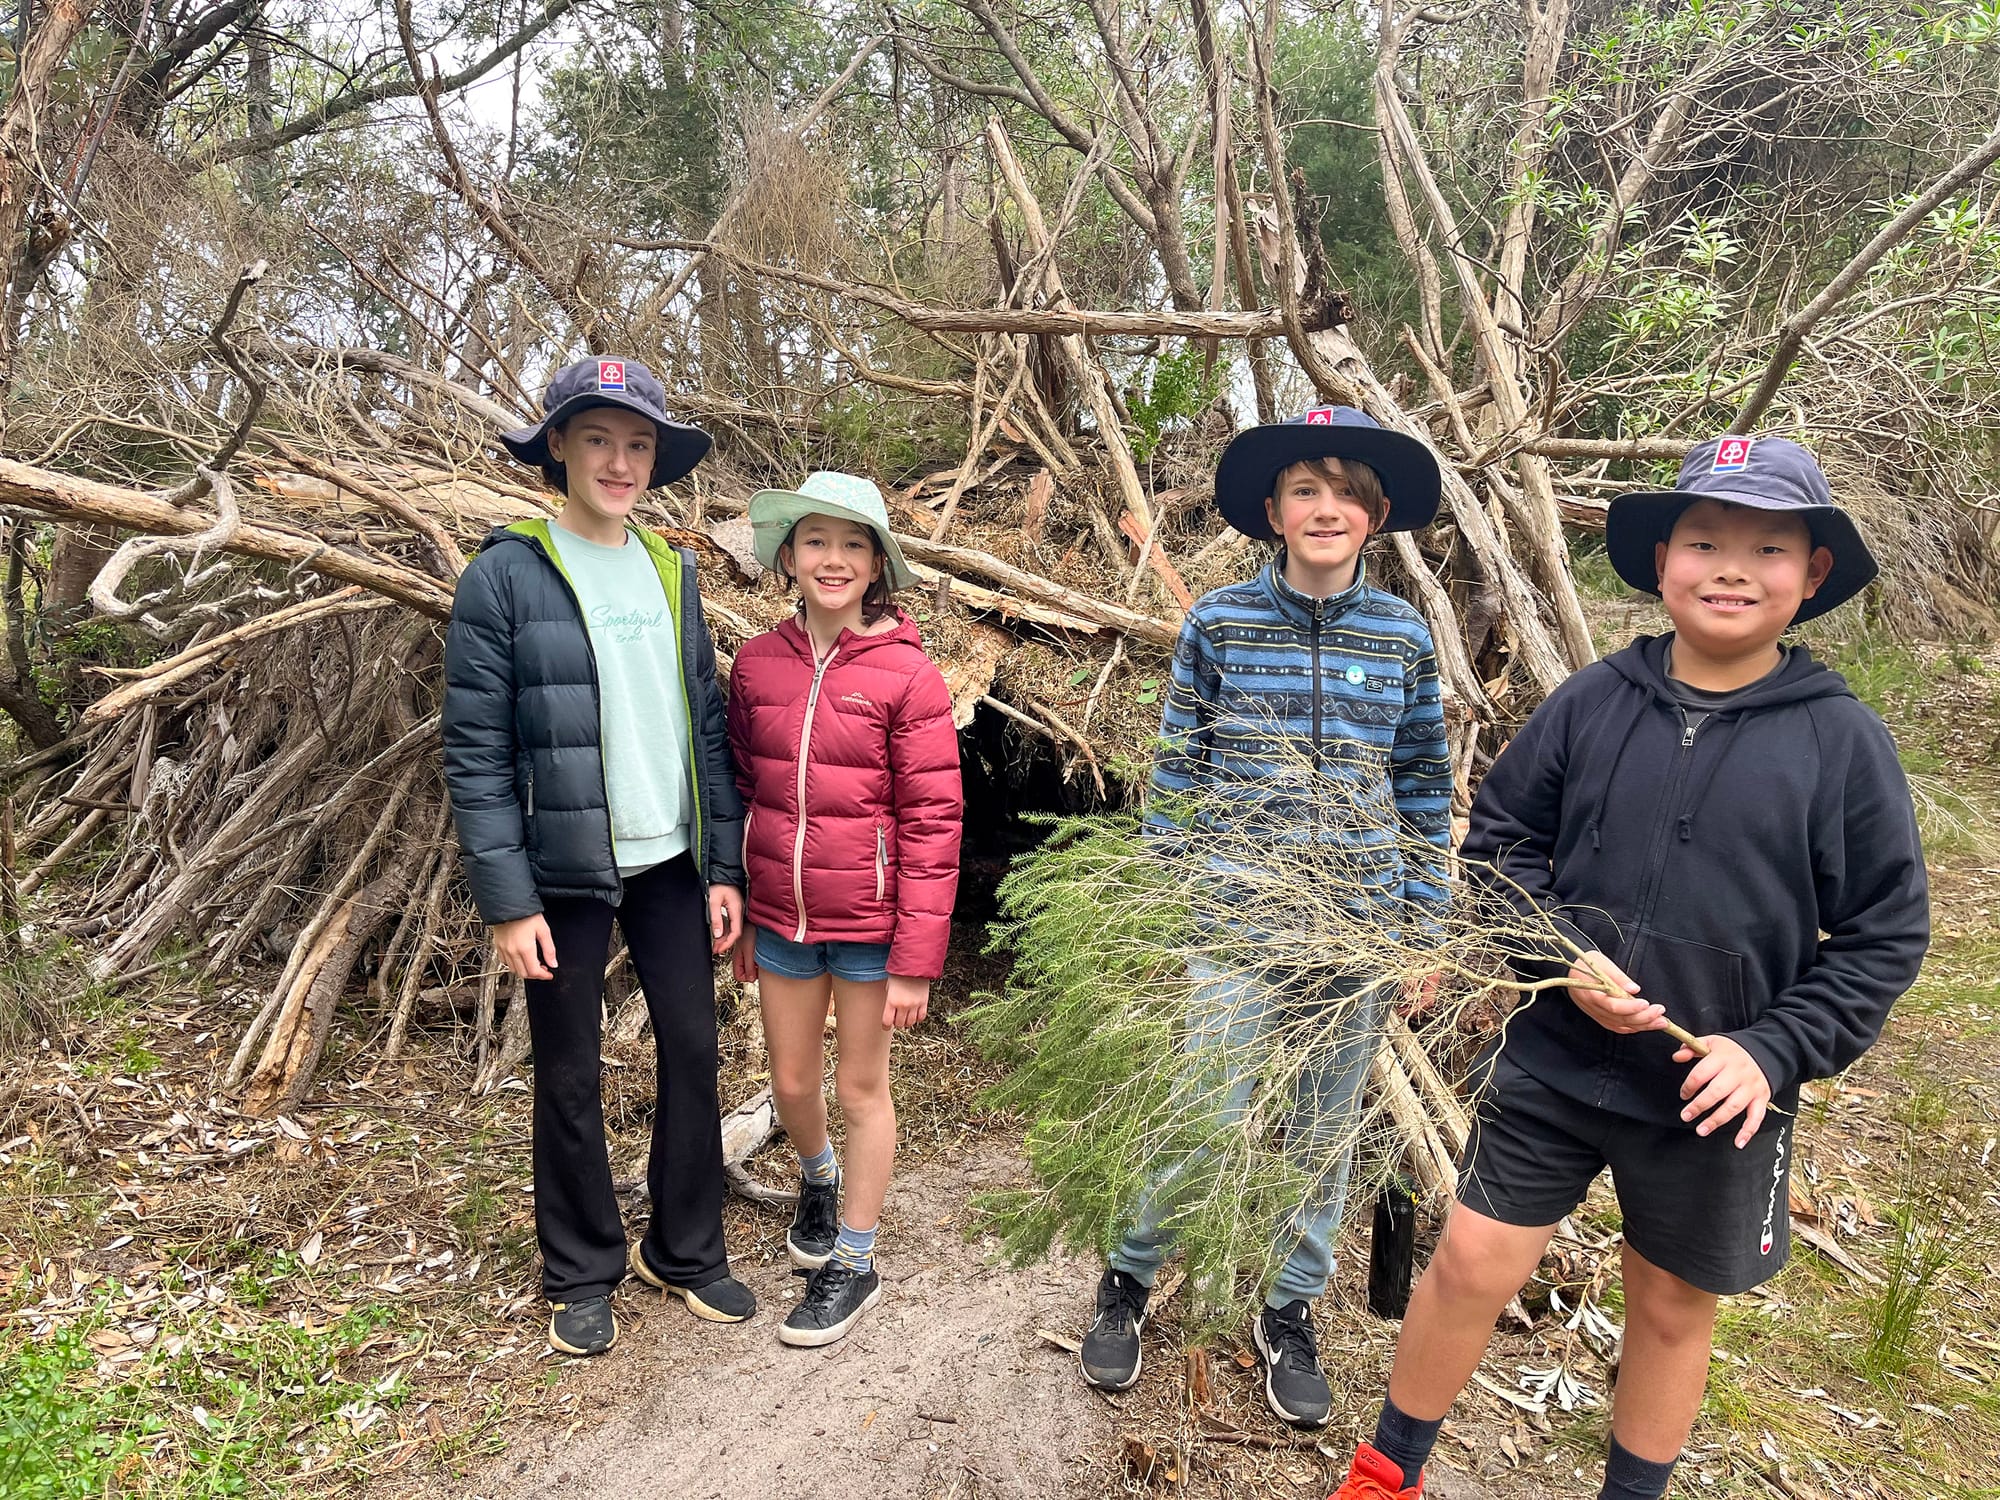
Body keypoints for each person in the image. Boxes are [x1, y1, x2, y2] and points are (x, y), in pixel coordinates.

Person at [1326, 435, 1930, 1500]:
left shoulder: (1840, 743)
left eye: (1765, 548)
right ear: (1659, 560)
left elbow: (1883, 936)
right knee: (1469, 1262)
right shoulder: (1592, 701)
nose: (1729, 568)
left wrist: (1766, 1051)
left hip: (1715, 1096)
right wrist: (1562, 958)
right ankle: (1384, 1473)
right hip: (1557, 1057)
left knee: (1665, 1306)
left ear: (1813, 573)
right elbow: (1500, 847)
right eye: (1702, 541)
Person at [1077, 407, 1452, 1428]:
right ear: (1272, 513)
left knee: (1319, 1132)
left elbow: (1421, 789)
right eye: (1303, 490)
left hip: (1357, 930)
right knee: (1200, 1112)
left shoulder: (1402, 636)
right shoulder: (1219, 624)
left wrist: (1422, 930)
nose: (1323, 508)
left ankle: (1286, 1307)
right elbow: (1177, 778)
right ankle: (1127, 1279)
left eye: (1343, 492)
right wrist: (1164, 908)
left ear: (1373, 516)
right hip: (1235, 921)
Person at [442, 356, 755, 1358]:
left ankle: (686, 1248)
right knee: (570, 1068)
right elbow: (475, 751)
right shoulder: (504, 573)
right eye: (597, 440)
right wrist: (505, 899)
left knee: (695, 1051)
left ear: (653, 462)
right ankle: (580, 1269)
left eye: (637, 445)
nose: (618, 462)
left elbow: (704, 722)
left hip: (670, 859)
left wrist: (721, 865)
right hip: (563, 869)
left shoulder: (672, 567)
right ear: (558, 451)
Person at [727, 471, 963, 1348]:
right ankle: (816, 1178)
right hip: (783, 918)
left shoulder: (908, 674)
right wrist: (749, 908)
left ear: (876, 565)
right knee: (792, 1084)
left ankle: (854, 1262)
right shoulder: (755, 665)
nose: (834, 559)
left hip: (870, 926)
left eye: (853, 544)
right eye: (816, 541)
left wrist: (916, 959)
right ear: (788, 556)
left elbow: (935, 821)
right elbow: (745, 791)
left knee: (861, 1089)